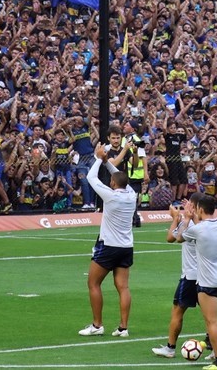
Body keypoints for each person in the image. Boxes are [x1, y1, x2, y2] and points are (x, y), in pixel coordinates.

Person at [78, 143, 137, 337]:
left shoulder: (110, 195)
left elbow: (90, 177)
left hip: (108, 246)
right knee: (123, 287)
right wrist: (107, 162)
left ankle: (97, 325)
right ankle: (123, 327)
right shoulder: (131, 194)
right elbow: (120, 177)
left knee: (93, 283)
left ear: (112, 183)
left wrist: (97, 158)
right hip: (126, 247)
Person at [180, 194, 217, 370]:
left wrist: (186, 218)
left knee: (212, 322)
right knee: (212, 320)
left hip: (208, 282)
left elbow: (180, 236)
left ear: (200, 209)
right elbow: (202, 227)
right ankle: (213, 350)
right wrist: (194, 216)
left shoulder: (198, 229)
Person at [152, 195, 204, 358]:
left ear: (196, 207)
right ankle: (212, 347)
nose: (186, 205)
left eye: (190, 204)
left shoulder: (193, 225)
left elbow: (178, 239)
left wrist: (181, 219)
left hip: (190, 276)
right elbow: (169, 238)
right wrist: (177, 219)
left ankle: (170, 348)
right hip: (205, 276)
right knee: (210, 314)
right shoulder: (204, 223)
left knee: (177, 310)